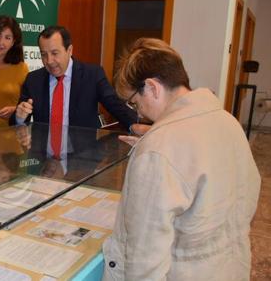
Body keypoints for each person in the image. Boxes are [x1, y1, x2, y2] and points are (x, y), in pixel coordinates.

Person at [102, 38, 261, 280]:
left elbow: (146, 259)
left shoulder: (158, 149)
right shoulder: (228, 121)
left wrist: (154, 156)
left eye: (135, 103)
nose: (139, 113)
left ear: (153, 88)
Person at [12, 25, 137, 131]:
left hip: (83, 156)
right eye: (44, 54)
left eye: (55, 53)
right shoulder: (33, 80)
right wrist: (19, 117)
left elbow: (116, 106)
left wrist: (137, 126)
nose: (49, 61)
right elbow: (15, 122)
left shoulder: (92, 75)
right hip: (43, 156)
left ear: (69, 50)